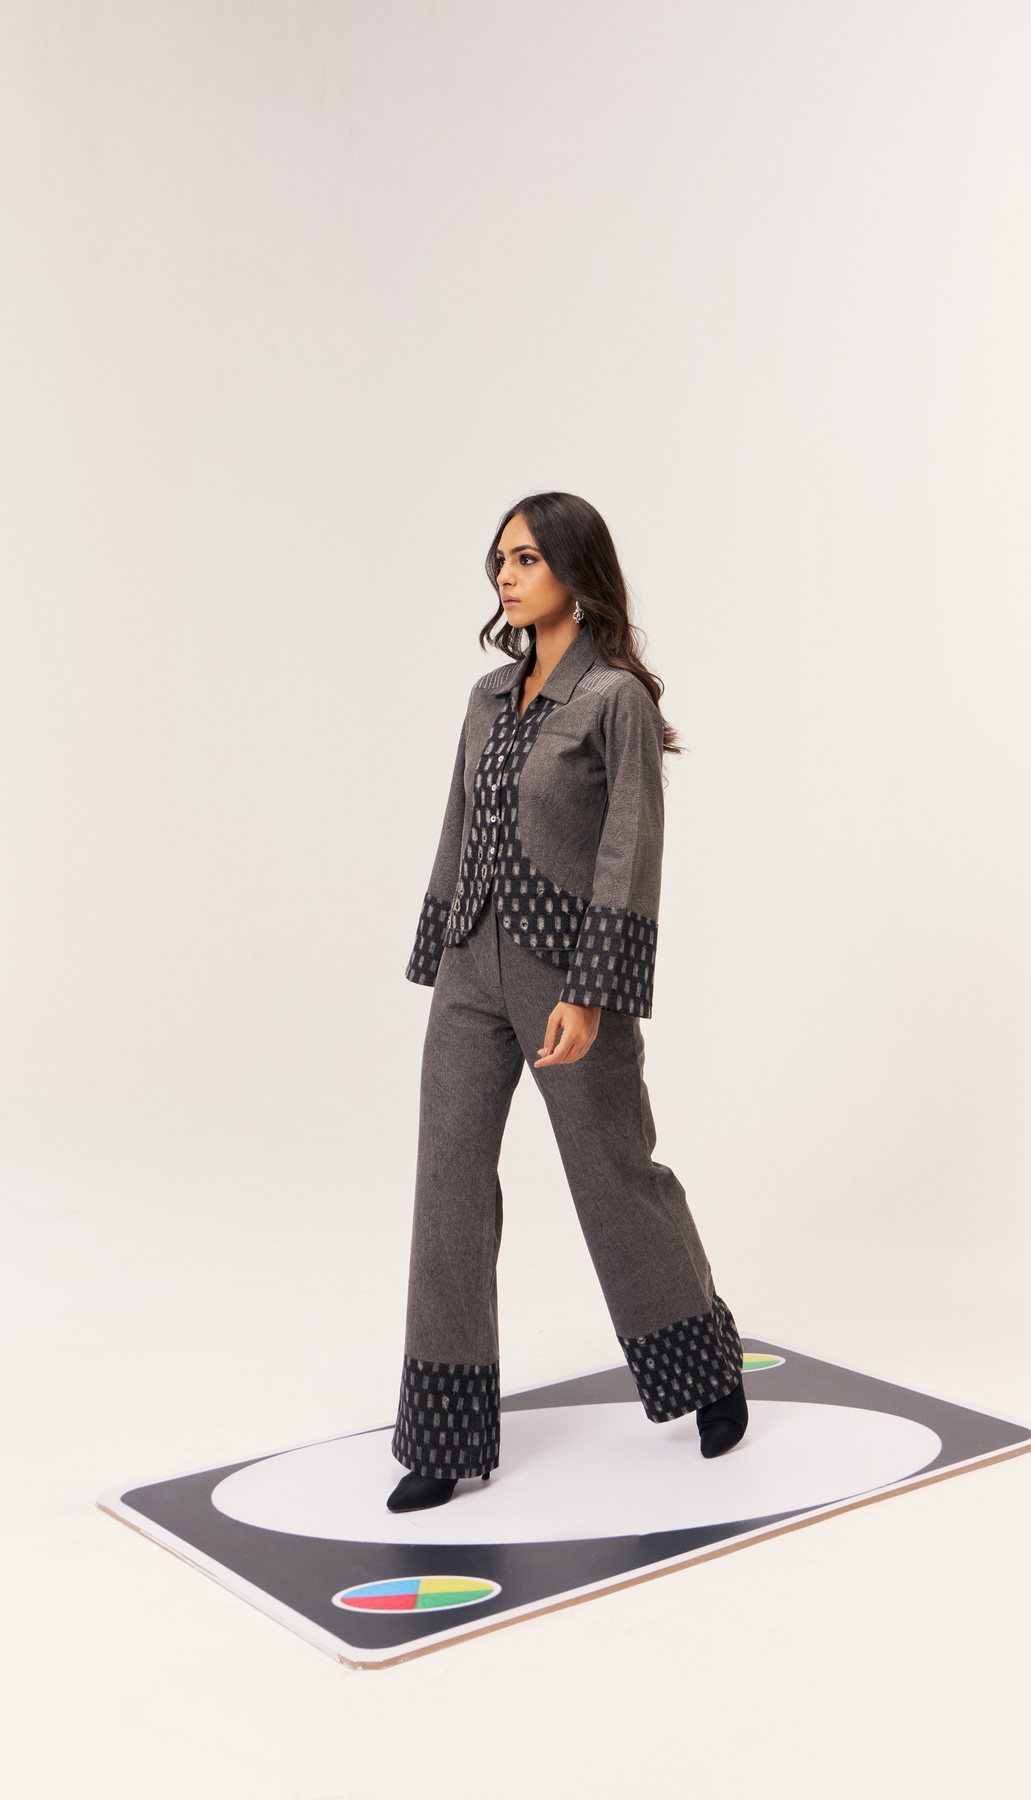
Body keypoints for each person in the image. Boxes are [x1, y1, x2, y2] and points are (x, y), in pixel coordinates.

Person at [387, 492, 747, 1514]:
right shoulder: (483, 697)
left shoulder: (612, 700)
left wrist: (590, 995)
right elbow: (457, 824)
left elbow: (630, 850)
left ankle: (704, 1369)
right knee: (447, 1185)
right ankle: (443, 1435)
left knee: (611, 1173)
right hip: (471, 969)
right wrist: (437, 950)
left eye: (527, 559)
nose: (506, 576)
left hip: (568, 977)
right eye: (499, 560)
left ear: (575, 574)